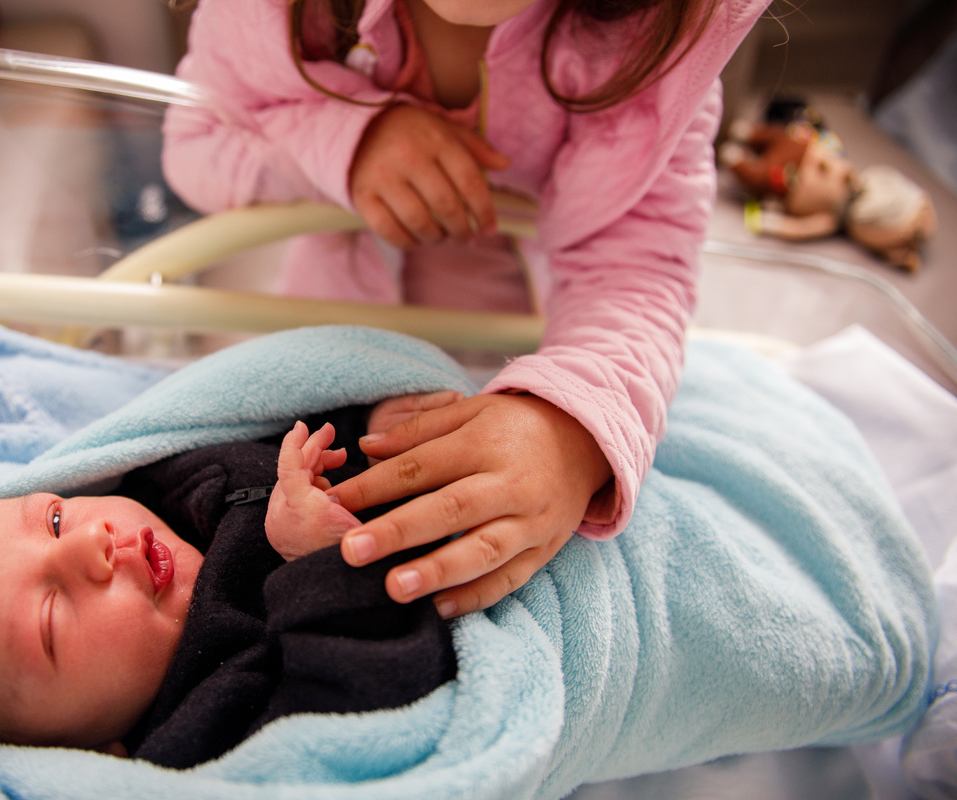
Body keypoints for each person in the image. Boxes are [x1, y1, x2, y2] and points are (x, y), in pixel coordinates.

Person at [162, 0, 767, 618]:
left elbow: (640, 269)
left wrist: (569, 428)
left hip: (520, 370)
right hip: (329, 352)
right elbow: (196, 142)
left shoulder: (656, 43)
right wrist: (348, 136)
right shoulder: (277, 12)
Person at [0, 393, 461, 767]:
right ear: (90, 754)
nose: (89, 544)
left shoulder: (162, 478)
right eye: (51, 620)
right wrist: (324, 565)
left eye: (54, 520)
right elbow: (373, 709)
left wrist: (371, 416)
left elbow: (262, 406)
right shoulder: (205, 726)